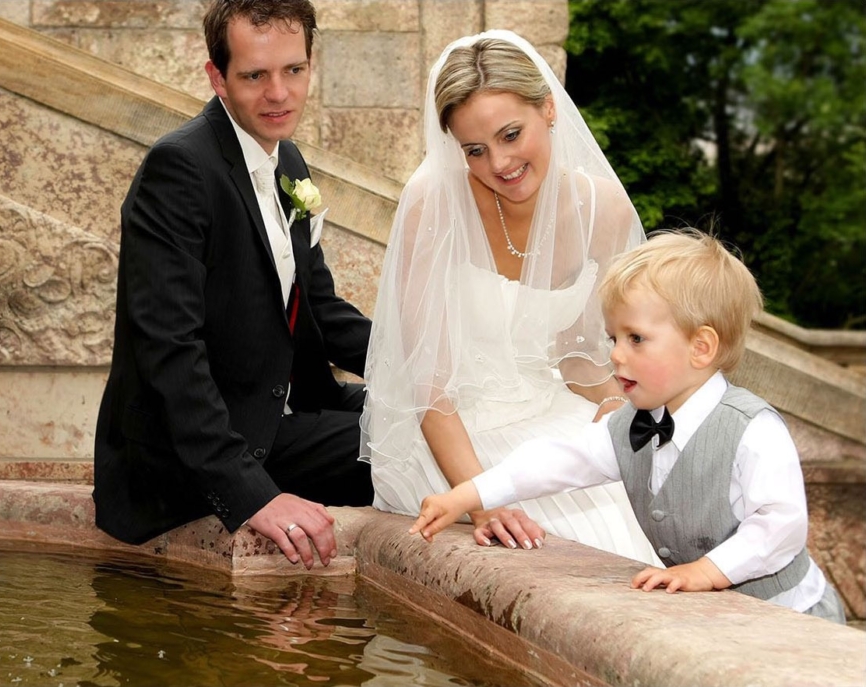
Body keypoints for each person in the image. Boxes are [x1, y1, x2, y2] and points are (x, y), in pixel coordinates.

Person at [408, 230, 846, 623]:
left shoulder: (753, 429)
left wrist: (706, 571)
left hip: (794, 617)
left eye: (635, 338)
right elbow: (557, 461)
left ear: (701, 347)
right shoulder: (629, 427)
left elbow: (781, 525)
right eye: (612, 338)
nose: (616, 354)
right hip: (721, 618)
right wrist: (467, 494)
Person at [359, 30, 659, 564]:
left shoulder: (603, 210)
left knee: (640, 501)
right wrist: (482, 499)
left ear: (548, 108)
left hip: (548, 410)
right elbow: (429, 387)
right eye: (475, 150)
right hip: (450, 437)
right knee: (573, 528)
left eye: (511, 134)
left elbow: (581, 359)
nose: (499, 162)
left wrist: (615, 409)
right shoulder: (433, 204)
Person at [93, 0, 373, 569]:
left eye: (294, 70)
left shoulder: (287, 161)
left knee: (434, 419)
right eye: (254, 75)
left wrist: (427, 373)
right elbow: (168, 349)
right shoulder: (180, 169)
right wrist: (252, 495)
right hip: (208, 450)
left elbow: (320, 310)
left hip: (287, 406)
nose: (279, 93)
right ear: (217, 78)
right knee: (403, 447)